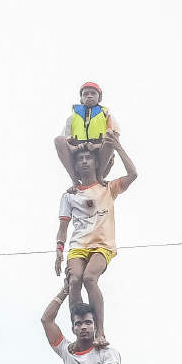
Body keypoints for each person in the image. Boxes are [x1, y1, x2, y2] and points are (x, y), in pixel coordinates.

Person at [54, 135, 137, 346]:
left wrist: (118, 147)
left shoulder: (108, 188)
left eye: (87, 158)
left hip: (102, 245)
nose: (83, 161)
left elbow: (133, 174)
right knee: (74, 280)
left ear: (95, 163)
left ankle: (99, 331)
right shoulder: (69, 195)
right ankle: (79, 330)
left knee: (90, 278)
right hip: (78, 246)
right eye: (79, 158)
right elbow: (63, 228)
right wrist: (58, 252)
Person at [54, 83, 119, 183]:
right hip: (78, 160)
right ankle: (74, 180)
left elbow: (115, 138)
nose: (89, 95)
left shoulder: (106, 115)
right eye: (85, 94)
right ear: (81, 99)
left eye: (93, 93)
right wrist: (73, 148)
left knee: (110, 138)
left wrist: (96, 146)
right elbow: (64, 139)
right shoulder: (72, 118)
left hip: (100, 158)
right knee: (58, 139)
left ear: (99, 98)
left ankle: (100, 176)